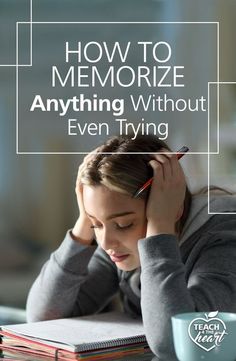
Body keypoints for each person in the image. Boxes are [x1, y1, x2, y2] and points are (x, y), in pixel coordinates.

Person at [26, 134, 236, 360]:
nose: (105, 243)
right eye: (96, 224)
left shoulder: (223, 243)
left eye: (123, 224)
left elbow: (174, 343)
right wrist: (83, 224)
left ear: (170, 208)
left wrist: (159, 230)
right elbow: (43, 316)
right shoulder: (119, 247)